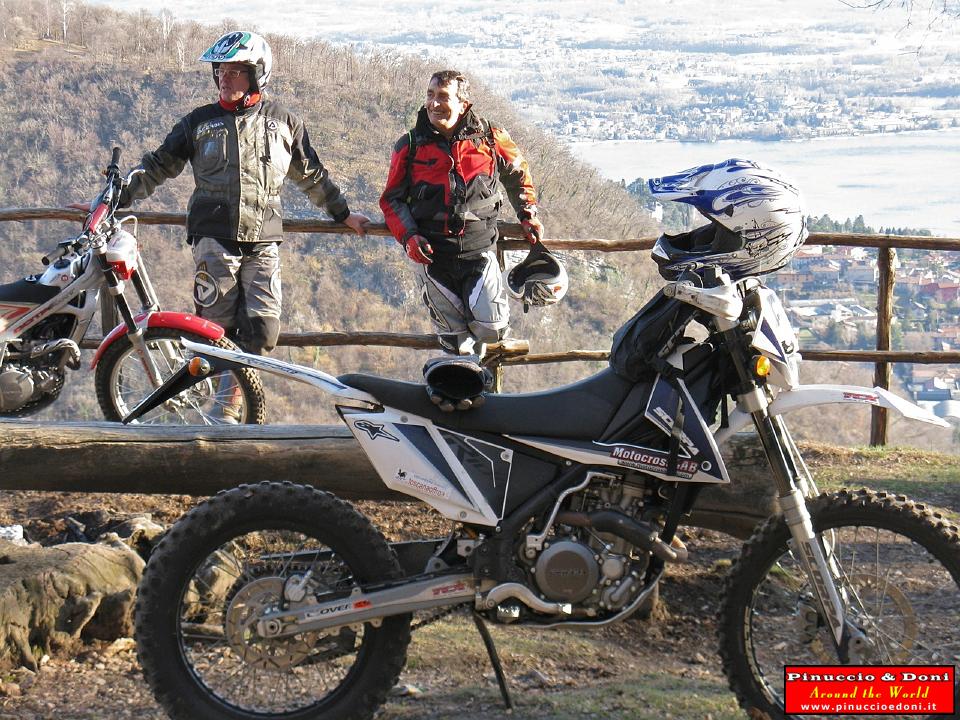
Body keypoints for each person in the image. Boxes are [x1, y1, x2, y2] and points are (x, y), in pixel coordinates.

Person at [120, 30, 370, 356]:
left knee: (263, 330)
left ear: (257, 74)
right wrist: (113, 200)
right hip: (213, 238)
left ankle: (236, 399)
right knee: (213, 330)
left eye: (234, 71)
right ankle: (214, 403)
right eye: (220, 71)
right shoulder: (198, 122)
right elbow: (156, 167)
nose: (224, 78)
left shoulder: (285, 124)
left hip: (263, 239)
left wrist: (343, 214)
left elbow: (311, 175)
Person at [380, 70, 544, 356]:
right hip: (432, 257)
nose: (433, 104)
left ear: (463, 103)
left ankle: (479, 379)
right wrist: (409, 237)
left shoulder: (491, 138)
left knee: (492, 329)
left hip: (479, 251)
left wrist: (527, 213)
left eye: (443, 97)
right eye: (430, 96)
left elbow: (518, 174)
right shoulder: (410, 145)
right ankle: (462, 392)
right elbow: (391, 200)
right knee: (455, 344)